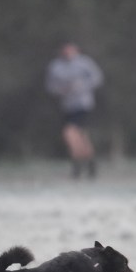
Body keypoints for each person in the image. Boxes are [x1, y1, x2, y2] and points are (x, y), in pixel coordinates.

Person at [45, 41, 104, 178]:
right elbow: (50, 86)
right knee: (81, 137)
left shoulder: (85, 63)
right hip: (67, 105)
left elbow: (97, 78)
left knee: (69, 133)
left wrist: (81, 86)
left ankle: (77, 166)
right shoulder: (56, 66)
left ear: (76, 50)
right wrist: (62, 89)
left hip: (83, 104)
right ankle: (90, 164)